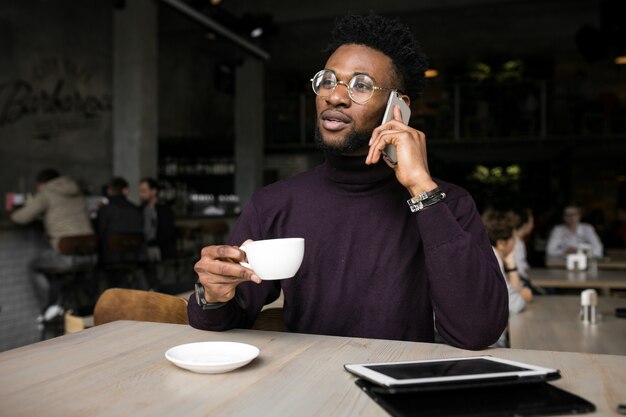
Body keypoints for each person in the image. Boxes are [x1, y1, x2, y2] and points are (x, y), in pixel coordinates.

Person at [189, 13, 509, 350]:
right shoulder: (274, 204)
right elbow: (225, 319)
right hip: (305, 389)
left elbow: (479, 331)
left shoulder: (447, 204)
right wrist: (212, 295)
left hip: (398, 390)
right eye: (328, 80)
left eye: (361, 85)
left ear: (397, 106)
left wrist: (421, 188)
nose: (335, 96)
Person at [10, 168, 94, 321]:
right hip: (90, 256)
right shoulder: (77, 191)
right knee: (65, 277)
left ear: (42, 184)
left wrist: (13, 212)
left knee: (33, 266)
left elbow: (20, 218)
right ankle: (65, 304)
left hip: (67, 258)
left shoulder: (46, 193)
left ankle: (50, 306)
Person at [96, 177, 144, 268]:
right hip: (134, 256)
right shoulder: (136, 209)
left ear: (109, 191)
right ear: (125, 190)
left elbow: (99, 232)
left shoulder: (105, 210)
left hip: (110, 258)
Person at [138, 177, 177, 262]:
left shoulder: (164, 210)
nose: (141, 194)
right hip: (144, 248)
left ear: (153, 191)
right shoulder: (140, 210)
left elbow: (167, 234)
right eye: (140, 191)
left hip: (160, 248)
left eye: (144, 191)